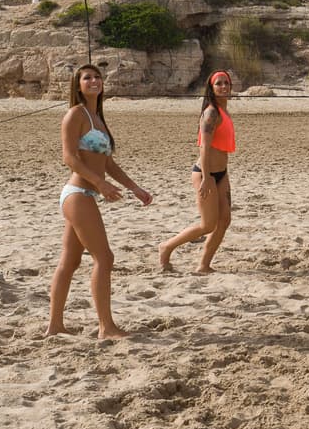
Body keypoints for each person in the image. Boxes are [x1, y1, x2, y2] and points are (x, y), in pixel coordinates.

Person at [46, 64, 153, 340]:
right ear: (78, 85)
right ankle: (106, 327)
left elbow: (108, 162)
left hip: (86, 194)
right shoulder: (75, 114)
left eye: (97, 77)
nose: (94, 81)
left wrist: (134, 188)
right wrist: (99, 183)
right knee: (104, 258)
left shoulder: (97, 118)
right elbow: (69, 157)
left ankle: (55, 326)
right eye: (87, 78)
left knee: (69, 262)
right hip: (77, 194)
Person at [158, 70, 236, 274]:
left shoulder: (224, 110)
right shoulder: (211, 113)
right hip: (205, 173)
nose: (224, 86)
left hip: (221, 173)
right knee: (208, 225)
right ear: (211, 88)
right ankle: (167, 247)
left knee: (224, 220)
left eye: (226, 83)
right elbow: (204, 147)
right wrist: (207, 177)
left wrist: (219, 176)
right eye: (219, 83)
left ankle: (204, 265)